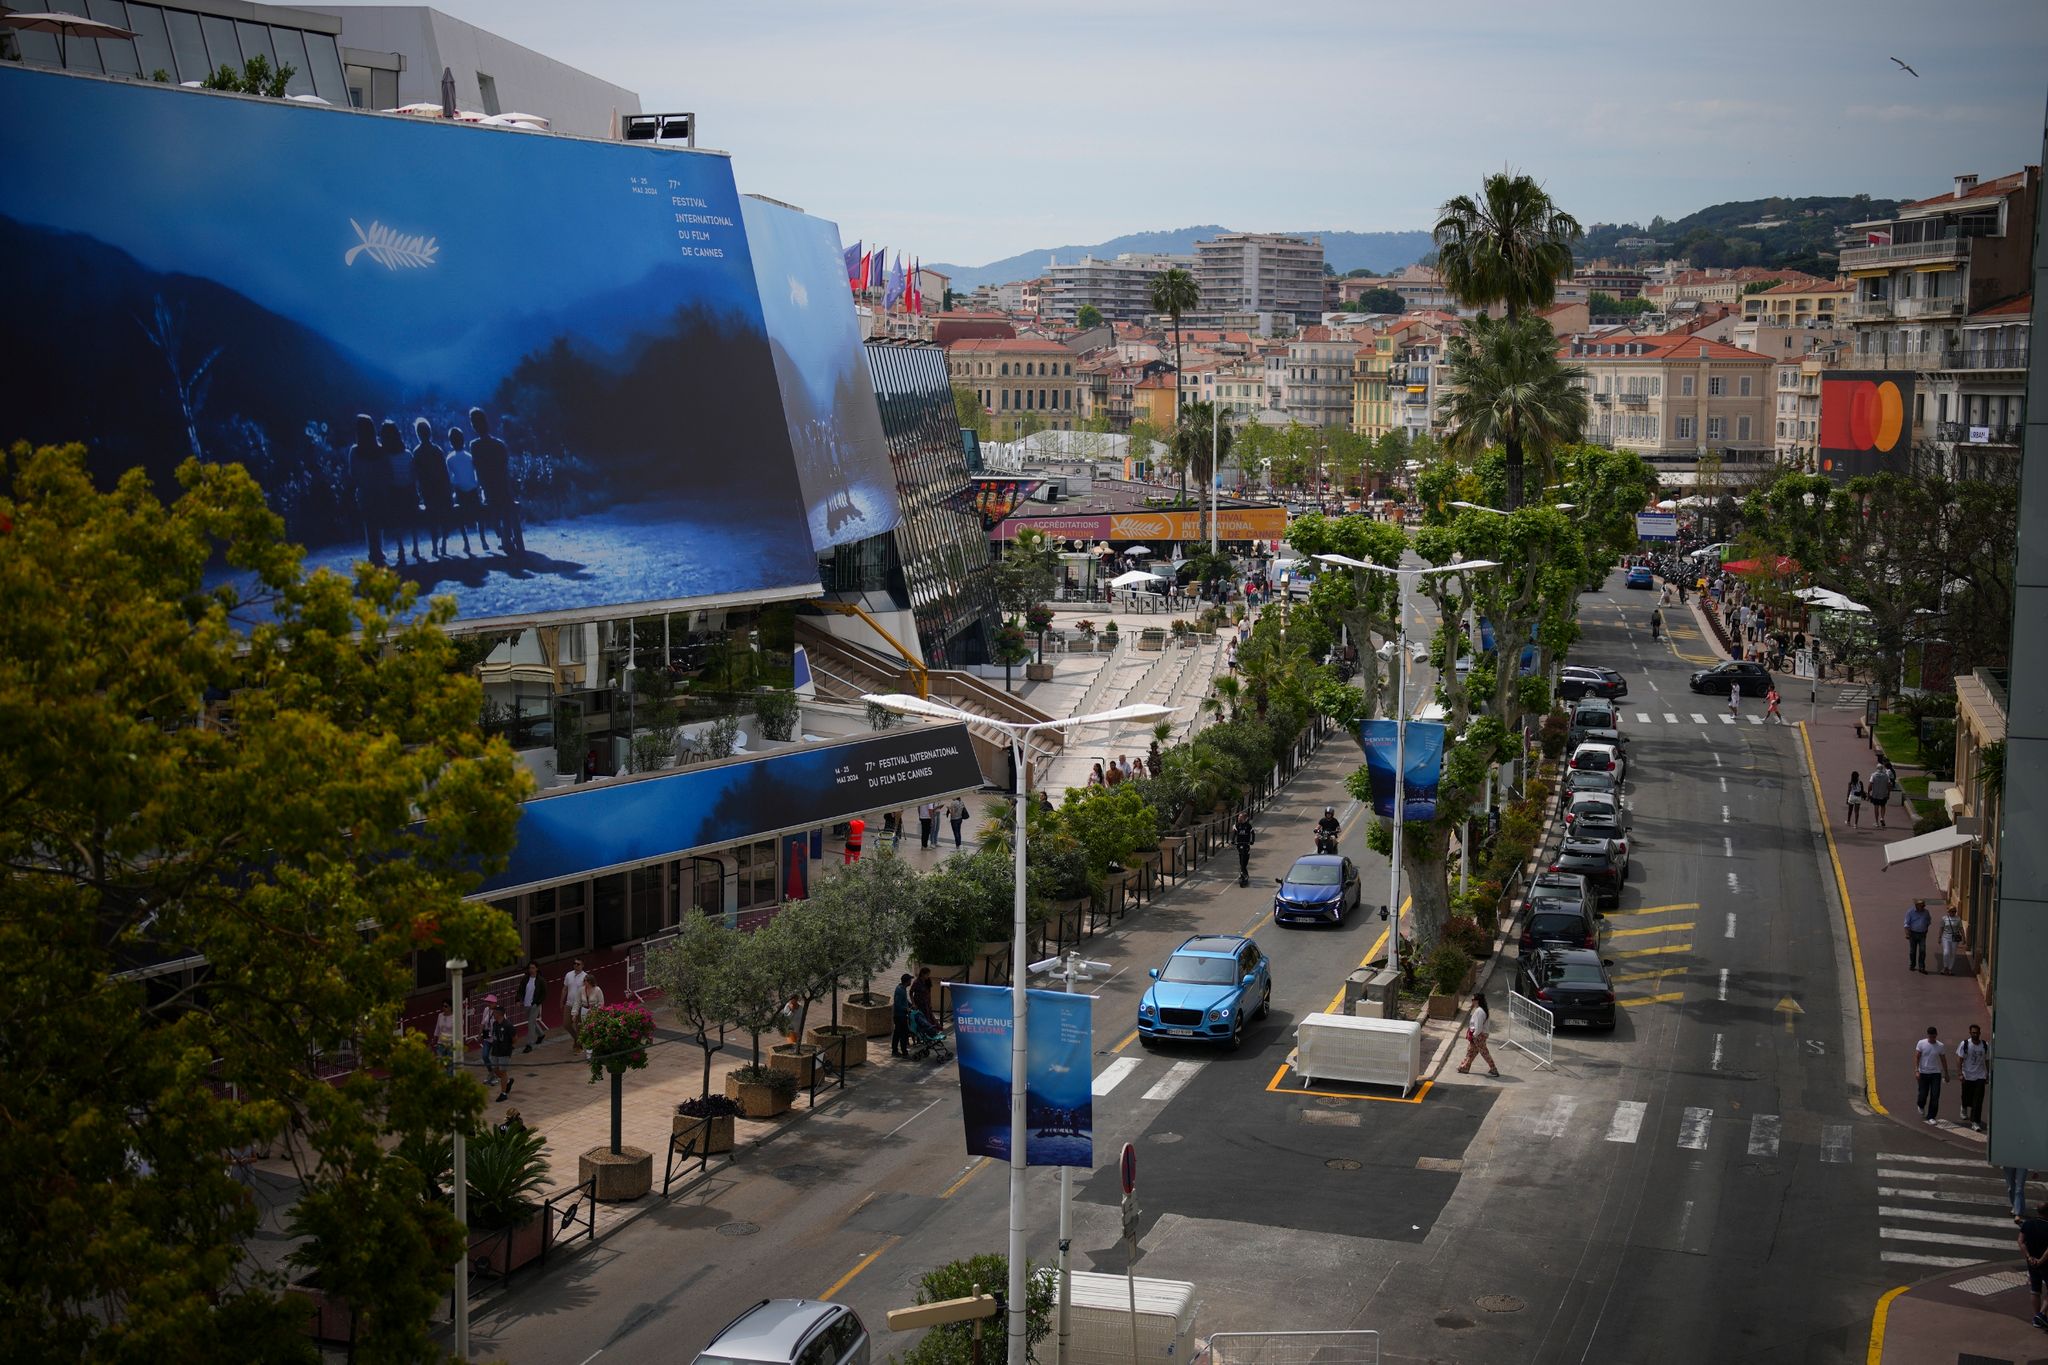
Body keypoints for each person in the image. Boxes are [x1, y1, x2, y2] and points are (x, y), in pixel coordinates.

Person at [468, 409, 523, 555]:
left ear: (473, 426)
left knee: (491, 502)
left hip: (490, 491)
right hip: (503, 489)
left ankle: (503, 536)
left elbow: (479, 472)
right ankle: (507, 537)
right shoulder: (499, 444)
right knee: (504, 500)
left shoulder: (474, 446)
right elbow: (505, 471)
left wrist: (482, 489)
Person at [378, 419, 418, 566]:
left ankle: (401, 548)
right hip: (409, 491)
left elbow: (388, 476)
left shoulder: (386, 456)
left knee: (397, 520)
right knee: (412, 519)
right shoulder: (407, 453)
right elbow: (413, 474)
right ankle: (416, 547)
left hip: (395, 491)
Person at [444, 425, 489, 555]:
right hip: (473, 490)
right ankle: (483, 540)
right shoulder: (469, 457)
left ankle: (466, 543)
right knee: (479, 514)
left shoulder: (449, 458)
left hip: (460, 492)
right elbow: (476, 474)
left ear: (451, 442)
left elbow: (451, 478)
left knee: (460, 516)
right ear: (462, 440)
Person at [348, 414, 387, 566]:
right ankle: (379, 549)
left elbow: (352, 473)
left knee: (369, 523)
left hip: (364, 491)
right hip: (379, 491)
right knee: (378, 521)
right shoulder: (380, 450)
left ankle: (374, 551)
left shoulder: (355, 451)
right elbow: (385, 470)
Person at [411, 416, 452, 559]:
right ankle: (443, 546)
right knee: (443, 517)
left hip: (428, 491)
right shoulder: (437, 450)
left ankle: (435, 547)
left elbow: (416, 474)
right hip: (440, 489)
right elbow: (445, 472)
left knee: (433, 520)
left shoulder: (417, 452)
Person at [2019, 1201, 2048, 1330]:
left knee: (2035, 1290)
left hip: (2032, 1262)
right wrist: (2041, 1260)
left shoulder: (2028, 1224)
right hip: (2046, 1263)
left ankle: (2037, 1317)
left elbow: (2021, 1241)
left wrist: (2029, 1257)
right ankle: (2041, 1314)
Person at [1957, 1024, 1990, 1132]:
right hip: (1967, 1075)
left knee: (1978, 1100)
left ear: (1980, 1033)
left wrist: (1987, 1073)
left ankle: (1975, 1122)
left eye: (1977, 1032)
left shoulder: (1985, 1045)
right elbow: (1960, 1059)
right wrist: (1960, 1073)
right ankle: (1964, 1106)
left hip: (1980, 1076)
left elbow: (1987, 1060)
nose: (1975, 1034)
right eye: (1973, 1032)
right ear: (1970, 1033)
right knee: (1967, 1097)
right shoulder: (1965, 1044)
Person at [1457, 992, 1499, 1077]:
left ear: (1477, 1001)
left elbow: (1478, 1027)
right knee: (1471, 1051)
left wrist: (1474, 1035)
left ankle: (1493, 1069)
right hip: (1480, 1035)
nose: (1471, 1001)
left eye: (1473, 1000)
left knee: (1483, 1052)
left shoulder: (1479, 1012)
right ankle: (1464, 1067)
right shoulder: (1482, 1010)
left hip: (1479, 1035)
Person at [1914, 1024, 1948, 1124]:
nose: (1932, 1038)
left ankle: (1931, 1116)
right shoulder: (1921, 1043)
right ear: (1927, 1035)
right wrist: (1916, 1070)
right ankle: (1921, 1105)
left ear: (1936, 1035)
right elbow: (1917, 1057)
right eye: (1930, 1036)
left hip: (1935, 1073)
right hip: (1923, 1072)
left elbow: (1943, 1059)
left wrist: (1946, 1073)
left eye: (1933, 1036)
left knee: (1935, 1095)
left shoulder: (1940, 1046)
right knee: (1922, 1094)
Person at [489, 996, 517, 1103]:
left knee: (503, 1071)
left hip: (504, 1052)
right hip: (495, 1050)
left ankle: (503, 1093)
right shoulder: (495, 1024)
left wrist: (510, 1048)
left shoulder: (508, 1025)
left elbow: (515, 1038)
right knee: (496, 1070)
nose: (493, 1014)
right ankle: (508, 1081)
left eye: (495, 1013)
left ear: (500, 1014)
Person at [572, 973, 604, 1057]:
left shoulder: (597, 990)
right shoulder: (581, 990)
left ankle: (596, 1049)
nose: (584, 982)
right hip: (584, 1011)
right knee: (587, 1031)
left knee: (594, 1031)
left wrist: (595, 1010)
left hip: (594, 1012)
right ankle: (589, 1052)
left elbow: (601, 1003)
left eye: (585, 980)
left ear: (590, 981)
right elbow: (577, 1002)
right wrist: (574, 1014)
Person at [520, 960, 548, 1053]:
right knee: (531, 1021)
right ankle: (541, 1034)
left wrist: (538, 1002)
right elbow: (520, 989)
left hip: (535, 1004)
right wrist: (518, 999)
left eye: (533, 968)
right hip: (526, 1004)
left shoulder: (540, 980)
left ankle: (529, 1044)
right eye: (530, 968)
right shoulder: (525, 979)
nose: (531, 970)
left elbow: (544, 993)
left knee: (530, 1023)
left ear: (537, 968)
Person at [561, 957, 588, 1048]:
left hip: (579, 1005)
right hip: (569, 1003)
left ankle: (579, 1045)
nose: (576, 965)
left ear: (582, 965)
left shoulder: (585, 976)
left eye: (578, 964)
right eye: (574, 963)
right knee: (566, 1024)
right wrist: (561, 1001)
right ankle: (576, 1038)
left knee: (578, 1026)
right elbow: (565, 989)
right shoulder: (568, 975)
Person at [1905, 899, 1932, 974]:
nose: (1922, 907)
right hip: (1913, 933)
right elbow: (1906, 923)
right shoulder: (1910, 912)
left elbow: (1928, 921)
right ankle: (1912, 964)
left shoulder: (1926, 912)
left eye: (1923, 906)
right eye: (1920, 906)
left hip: (1922, 934)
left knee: (1922, 950)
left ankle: (1921, 966)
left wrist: (1926, 928)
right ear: (1916, 906)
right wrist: (1907, 933)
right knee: (1912, 951)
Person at [891, 972, 913, 1057]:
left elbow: (904, 1001)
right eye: (910, 980)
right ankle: (903, 1052)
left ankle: (896, 1050)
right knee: (903, 1034)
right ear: (907, 981)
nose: (911, 981)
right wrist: (906, 1009)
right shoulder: (900, 990)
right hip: (900, 1016)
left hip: (902, 1015)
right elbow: (898, 1004)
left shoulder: (903, 989)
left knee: (898, 1033)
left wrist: (911, 1005)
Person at [1866, 762, 1893, 829]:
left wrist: (1868, 792)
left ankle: (1877, 822)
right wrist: (1888, 793)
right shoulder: (1886, 776)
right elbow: (1889, 785)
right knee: (1883, 806)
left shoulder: (1873, 775)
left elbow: (1870, 785)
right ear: (1882, 768)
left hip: (1875, 794)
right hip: (1883, 794)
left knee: (1876, 807)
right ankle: (1882, 818)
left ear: (1877, 768)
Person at [1939, 906, 1966, 975]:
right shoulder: (1944, 918)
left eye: (1954, 911)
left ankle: (1950, 968)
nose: (1953, 913)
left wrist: (1964, 937)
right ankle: (1945, 967)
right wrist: (1939, 937)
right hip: (1946, 936)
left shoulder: (1958, 919)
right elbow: (1941, 928)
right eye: (1951, 911)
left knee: (1953, 953)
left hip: (1954, 938)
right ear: (1948, 912)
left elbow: (1961, 928)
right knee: (1946, 952)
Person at [1233, 811, 1255, 884]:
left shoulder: (1248, 826)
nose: (1239, 818)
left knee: (1245, 859)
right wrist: (1233, 841)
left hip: (1246, 845)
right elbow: (1234, 834)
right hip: (1239, 844)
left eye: (1240, 817)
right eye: (1238, 817)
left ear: (1245, 818)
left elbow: (1253, 833)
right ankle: (1242, 873)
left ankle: (1244, 873)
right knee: (1241, 859)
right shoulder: (1237, 825)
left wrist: (1252, 841)